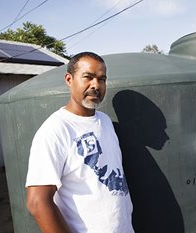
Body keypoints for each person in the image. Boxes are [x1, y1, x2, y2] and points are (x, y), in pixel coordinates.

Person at [25, 52, 134, 233]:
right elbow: (37, 202)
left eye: (102, 79)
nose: (96, 85)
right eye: (88, 77)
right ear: (69, 79)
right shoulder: (56, 130)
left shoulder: (105, 121)